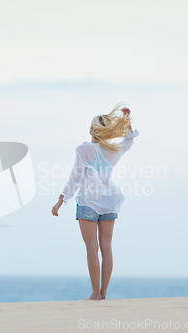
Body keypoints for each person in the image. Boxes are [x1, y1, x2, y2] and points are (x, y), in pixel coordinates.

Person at [51, 102, 140, 301]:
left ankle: (95, 294)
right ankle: (104, 293)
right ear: (108, 132)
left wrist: (60, 201)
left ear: (91, 130)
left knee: (92, 248)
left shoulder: (83, 150)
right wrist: (126, 121)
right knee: (106, 247)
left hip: (88, 203)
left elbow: (75, 178)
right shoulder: (113, 150)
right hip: (109, 201)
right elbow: (129, 141)